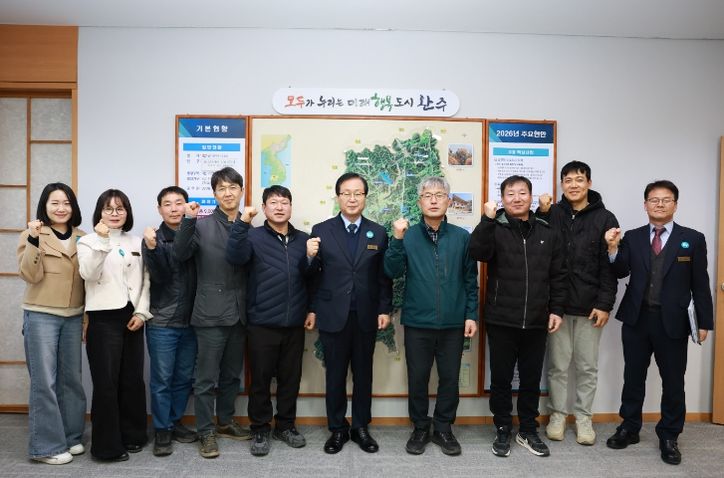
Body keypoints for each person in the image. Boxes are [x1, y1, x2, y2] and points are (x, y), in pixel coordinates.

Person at [604, 180, 713, 465]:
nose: (660, 204)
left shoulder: (693, 239)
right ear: (645, 205)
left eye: (666, 199)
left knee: (673, 381)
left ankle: (669, 435)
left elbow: (700, 283)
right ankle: (629, 427)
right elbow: (621, 270)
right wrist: (613, 249)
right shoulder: (633, 237)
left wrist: (704, 322)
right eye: (654, 199)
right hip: (637, 319)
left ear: (675, 204)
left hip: (673, 321)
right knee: (633, 377)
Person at [469, 175, 567, 458]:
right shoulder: (495, 228)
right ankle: (502, 428)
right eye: (510, 193)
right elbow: (477, 251)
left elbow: (559, 275)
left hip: (537, 319)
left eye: (522, 192)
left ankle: (527, 429)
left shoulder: (547, 232)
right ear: (502, 199)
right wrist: (487, 220)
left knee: (530, 379)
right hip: (501, 319)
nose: (516, 198)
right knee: (500, 379)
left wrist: (556, 310)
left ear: (531, 197)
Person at [384, 176, 479, 456]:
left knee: (449, 378)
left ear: (449, 201)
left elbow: (470, 280)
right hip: (418, 322)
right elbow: (391, 271)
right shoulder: (408, 235)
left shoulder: (461, 237)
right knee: (418, 378)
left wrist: (471, 314)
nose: (434, 200)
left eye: (439, 195)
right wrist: (397, 240)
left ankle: (443, 428)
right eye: (428, 195)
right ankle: (420, 427)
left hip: (453, 322)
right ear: (419, 202)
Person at [226, 185, 317, 457]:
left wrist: (311, 309)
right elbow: (234, 257)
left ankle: (286, 426)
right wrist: (242, 223)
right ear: (264, 208)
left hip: (294, 322)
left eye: (284, 202)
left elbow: (313, 279)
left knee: (291, 379)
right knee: (261, 380)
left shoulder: (304, 239)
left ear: (291, 207)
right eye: (273, 203)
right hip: (261, 322)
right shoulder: (252, 236)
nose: (279, 207)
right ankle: (260, 429)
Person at [308, 172, 393, 454]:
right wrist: (308, 258)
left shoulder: (378, 232)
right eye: (347, 193)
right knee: (334, 375)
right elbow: (312, 276)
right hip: (332, 314)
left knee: (363, 375)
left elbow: (383, 277)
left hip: (366, 315)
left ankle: (360, 427)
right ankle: (337, 429)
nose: (352, 198)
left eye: (358, 193)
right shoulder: (321, 230)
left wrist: (384, 308)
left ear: (365, 197)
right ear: (338, 197)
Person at [537, 161, 619, 445]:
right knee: (557, 367)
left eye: (579, 179)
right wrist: (542, 212)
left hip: (590, 307)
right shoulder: (553, 213)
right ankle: (557, 415)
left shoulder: (605, 218)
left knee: (587, 367)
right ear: (562, 184)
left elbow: (609, 267)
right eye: (568, 180)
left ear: (589, 183)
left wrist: (605, 304)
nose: (573, 185)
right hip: (557, 308)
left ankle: (584, 418)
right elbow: (538, 248)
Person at [174, 166, 252, 459]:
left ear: (241, 191)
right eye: (221, 188)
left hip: (240, 313)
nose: (228, 193)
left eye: (233, 187)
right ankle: (205, 430)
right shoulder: (201, 225)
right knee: (206, 378)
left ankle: (226, 421)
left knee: (232, 375)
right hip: (209, 313)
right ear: (214, 194)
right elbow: (180, 254)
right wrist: (188, 220)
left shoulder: (249, 226)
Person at [77, 189, 151, 462]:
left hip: (132, 316)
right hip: (102, 317)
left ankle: (133, 435)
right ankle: (106, 447)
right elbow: (88, 273)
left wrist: (142, 312)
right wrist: (103, 240)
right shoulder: (87, 241)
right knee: (106, 382)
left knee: (132, 379)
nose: (115, 213)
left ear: (127, 212)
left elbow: (147, 280)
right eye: (108, 208)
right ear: (100, 212)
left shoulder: (137, 241)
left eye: (120, 208)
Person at [17, 183, 87, 465]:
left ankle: (71, 436)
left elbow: (88, 282)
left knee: (72, 380)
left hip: (74, 315)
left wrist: (86, 317)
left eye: (66, 203)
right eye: (54, 203)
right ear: (44, 207)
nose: (61, 208)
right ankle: (46, 446)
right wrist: (34, 240)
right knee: (45, 381)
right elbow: (29, 275)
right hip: (41, 315)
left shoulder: (83, 237)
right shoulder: (33, 234)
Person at [142, 186, 198, 457]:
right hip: (163, 322)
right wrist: (153, 248)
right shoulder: (153, 238)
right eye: (168, 204)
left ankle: (175, 423)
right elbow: (161, 277)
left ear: (186, 206)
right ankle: (162, 429)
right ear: (159, 209)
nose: (174, 209)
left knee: (184, 378)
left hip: (192, 321)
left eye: (179, 203)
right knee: (162, 379)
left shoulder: (196, 234)